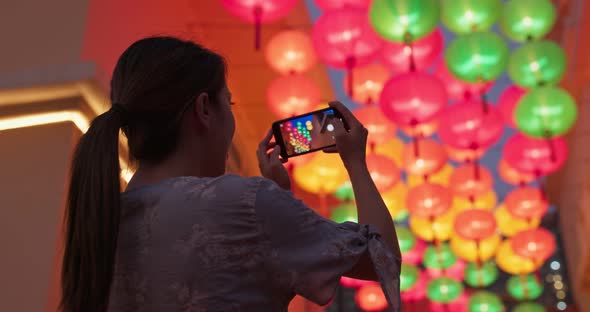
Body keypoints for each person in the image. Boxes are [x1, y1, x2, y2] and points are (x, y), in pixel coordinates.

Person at [60, 36, 401, 312]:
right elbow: (381, 257)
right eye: (230, 102)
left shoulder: (99, 220)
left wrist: (278, 203)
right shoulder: (248, 204)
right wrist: (355, 161)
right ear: (204, 108)